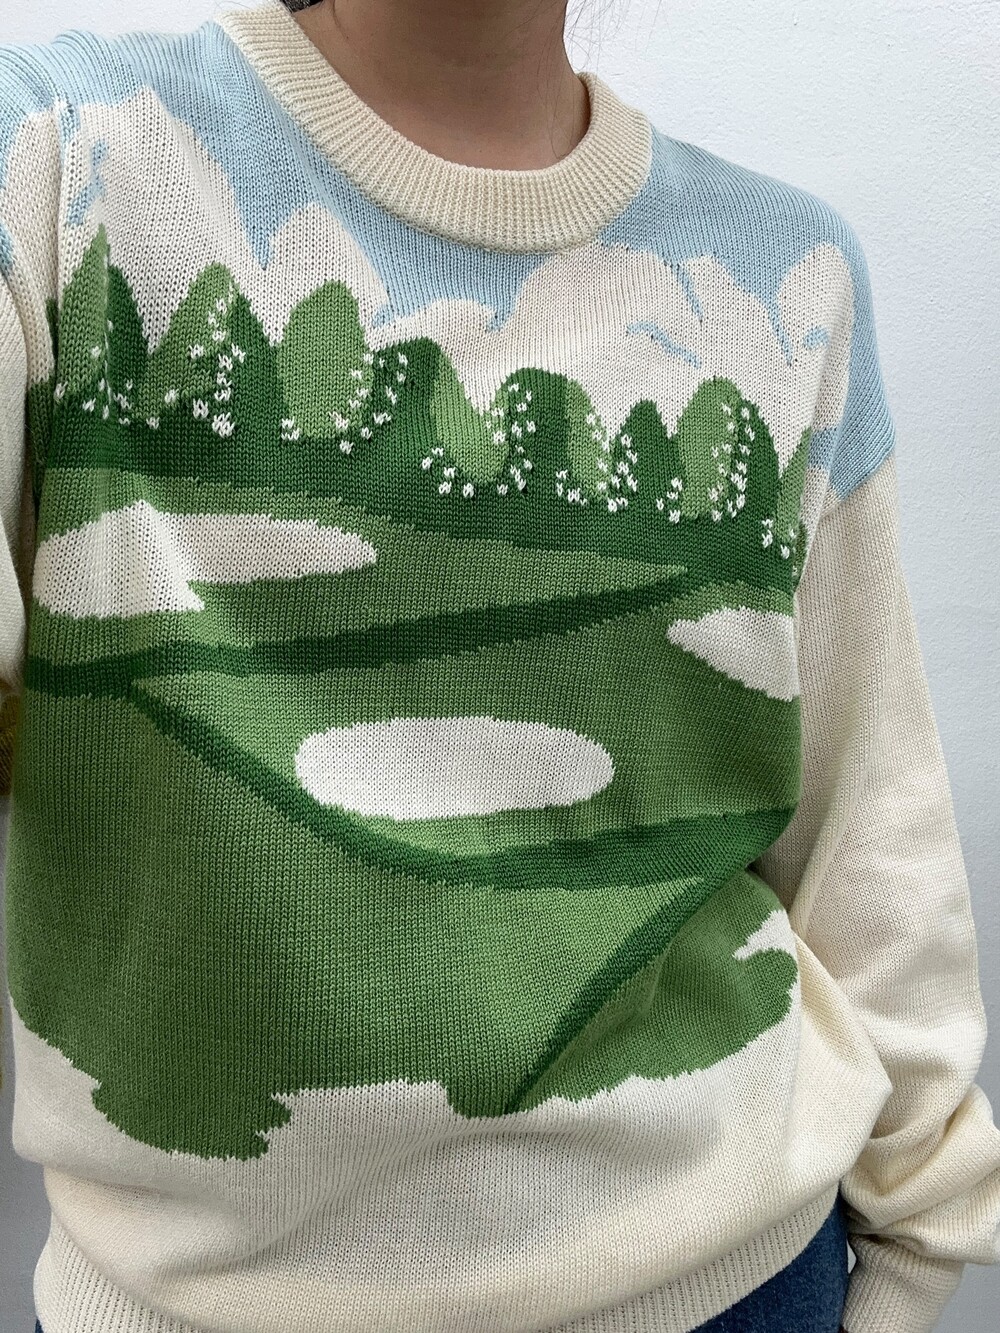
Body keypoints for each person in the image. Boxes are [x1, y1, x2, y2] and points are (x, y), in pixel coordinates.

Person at [1, 0, 998, 1330]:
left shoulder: (794, 276)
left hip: (738, 1277)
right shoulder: (54, 156)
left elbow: (869, 818)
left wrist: (919, 1247)